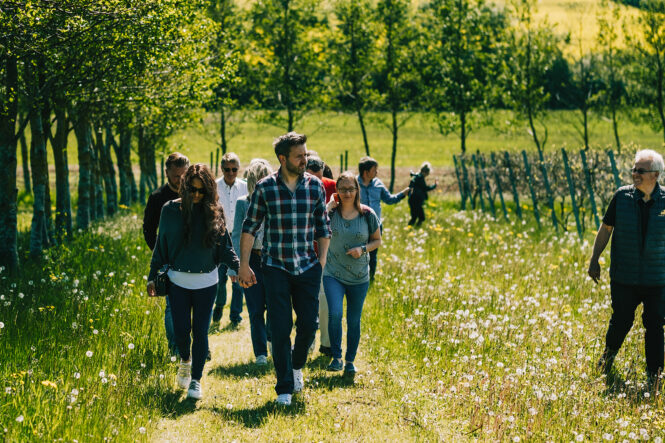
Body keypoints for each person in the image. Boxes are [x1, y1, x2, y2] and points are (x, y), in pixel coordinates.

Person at [239, 132, 331, 406]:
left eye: (306, 154)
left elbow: (323, 228)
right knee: (280, 328)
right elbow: (249, 227)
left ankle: (296, 366)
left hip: (307, 267)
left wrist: (321, 262)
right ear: (283, 158)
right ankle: (284, 388)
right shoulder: (266, 188)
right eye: (299, 156)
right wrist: (244, 265)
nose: (305, 159)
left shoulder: (315, 187)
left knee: (308, 325)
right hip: (275, 267)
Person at [147, 164, 239, 400]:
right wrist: (152, 277)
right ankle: (185, 361)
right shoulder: (169, 210)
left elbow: (226, 247)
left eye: (201, 191)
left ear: (208, 190)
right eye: (192, 190)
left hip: (206, 282)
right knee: (181, 332)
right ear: (184, 188)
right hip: (177, 282)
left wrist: (240, 268)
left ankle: (196, 380)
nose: (196, 195)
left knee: (201, 332)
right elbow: (160, 247)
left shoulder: (214, 211)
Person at [588, 149, 665, 389]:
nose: (634, 174)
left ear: (655, 174)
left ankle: (654, 376)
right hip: (625, 277)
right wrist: (594, 258)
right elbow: (606, 228)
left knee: (655, 326)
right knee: (620, 320)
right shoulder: (621, 198)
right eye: (633, 169)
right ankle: (608, 358)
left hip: (657, 280)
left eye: (640, 171)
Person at [323, 172, 381, 374]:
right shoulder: (330, 213)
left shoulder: (367, 214)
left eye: (351, 189)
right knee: (335, 313)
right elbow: (314, 227)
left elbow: (377, 240)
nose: (347, 193)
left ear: (357, 190)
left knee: (354, 320)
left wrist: (363, 249)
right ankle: (336, 357)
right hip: (333, 273)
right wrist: (328, 207)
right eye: (343, 189)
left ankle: (350, 361)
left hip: (359, 276)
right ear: (336, 192)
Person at [142, 152, 189, 356]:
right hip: (167, 260)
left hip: (192, 258)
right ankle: (176, 347)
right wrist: (159, 253)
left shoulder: (194, 194)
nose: (180, 180)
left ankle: (194, 345)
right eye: (176, 176)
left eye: (184, 175)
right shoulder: (157, 198)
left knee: (194, 305)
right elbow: (148, 229)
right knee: (172, 305)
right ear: (167, 173)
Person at [232, 159, 273, 365]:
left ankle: (273, 341)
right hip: (251, 260)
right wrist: (236, 265)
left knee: (275, 305)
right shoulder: (243, 202)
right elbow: (237, 234)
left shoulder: (275, 201)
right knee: (256, 309)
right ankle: (260, 353)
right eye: (254, 180)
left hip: (273, 259)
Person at [357, 156, 410, 281]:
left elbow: (389, 200)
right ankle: (357, 279)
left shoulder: (378, 184)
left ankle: (370, 279)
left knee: (373, 255)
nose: (377, 172)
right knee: (358, 253)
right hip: (358, 225)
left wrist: (403, 193)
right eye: (375, 170)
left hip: (376, 225)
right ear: (366, 172)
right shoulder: (354, 184)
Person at [212, 153, 248, 328]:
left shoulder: (245, 187)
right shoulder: (214, 187)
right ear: (222, 169)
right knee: (219, 278)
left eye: (234, 169)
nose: (231, 173)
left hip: (239, 238)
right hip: (220, 238)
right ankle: (219, 306)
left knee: (238, 280)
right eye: (227, 169)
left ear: (238, 169)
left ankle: (235, 315)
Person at [306, 155, 337, 357]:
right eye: (312, 178)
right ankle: (307, 341)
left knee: (325, 301)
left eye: (319, 178)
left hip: (328, 254)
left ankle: (326, 343)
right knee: (306, 303)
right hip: (305, 253)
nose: (317, 183)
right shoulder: (299, 188)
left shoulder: (333, 187)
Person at [408, 161, 438, 226]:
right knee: (420, 218)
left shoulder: (416, 177)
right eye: (427, 174)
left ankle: (410, 229)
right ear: (425, 172)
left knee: (415, 217)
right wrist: (434, 186)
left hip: (412, 199)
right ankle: (412, 229)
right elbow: (425, 188)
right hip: (416, 200)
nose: (427, 175)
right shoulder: (420, 177)